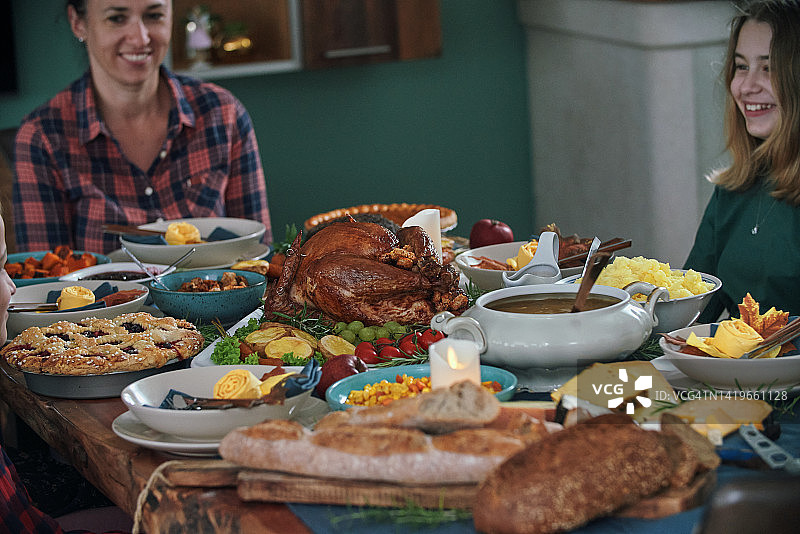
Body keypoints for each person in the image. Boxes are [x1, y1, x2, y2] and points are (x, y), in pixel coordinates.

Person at [12, 0, 272, 255]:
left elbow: (260, 257)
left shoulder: (223, 113)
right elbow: (43, 276)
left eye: (154, 15)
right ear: (78, 23)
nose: (140, 38)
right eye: (117, 18)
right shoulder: (42, 137)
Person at [684, 0, 800, 323]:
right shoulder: (732, 190)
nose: (747, 87)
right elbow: (688, 314)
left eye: (769, 68)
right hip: (729, 357)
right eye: (741, 66)